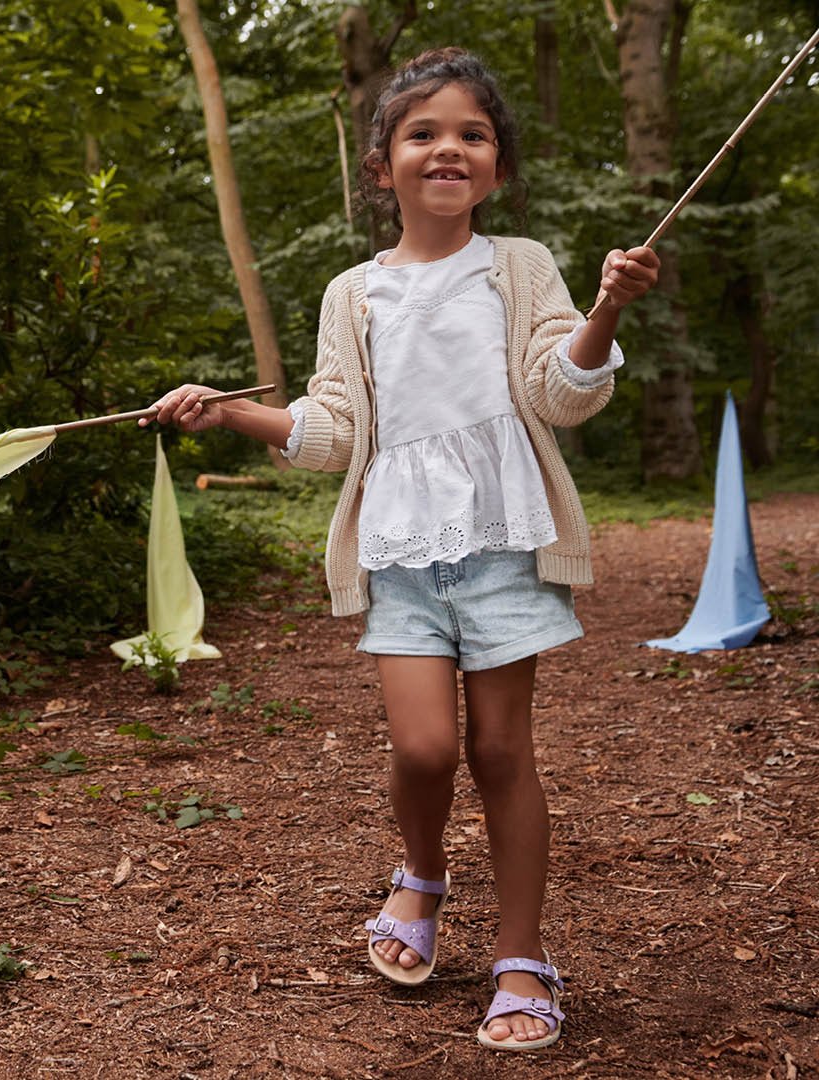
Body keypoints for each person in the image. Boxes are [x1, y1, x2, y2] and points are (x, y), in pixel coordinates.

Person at [144, 47, 659, 1052]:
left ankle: (521, 956)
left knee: (503, 750)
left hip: (504, 543)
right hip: (399, 551)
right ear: (382, 166)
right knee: (424, 748)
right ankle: (420, 877)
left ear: (496, 167)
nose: (448, 149)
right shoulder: (353, 294)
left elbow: (563, 395)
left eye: (472, 134)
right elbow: (334, 432)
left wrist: (606, 311)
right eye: (423, 133)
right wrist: (231, 412)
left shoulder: (521, 268)